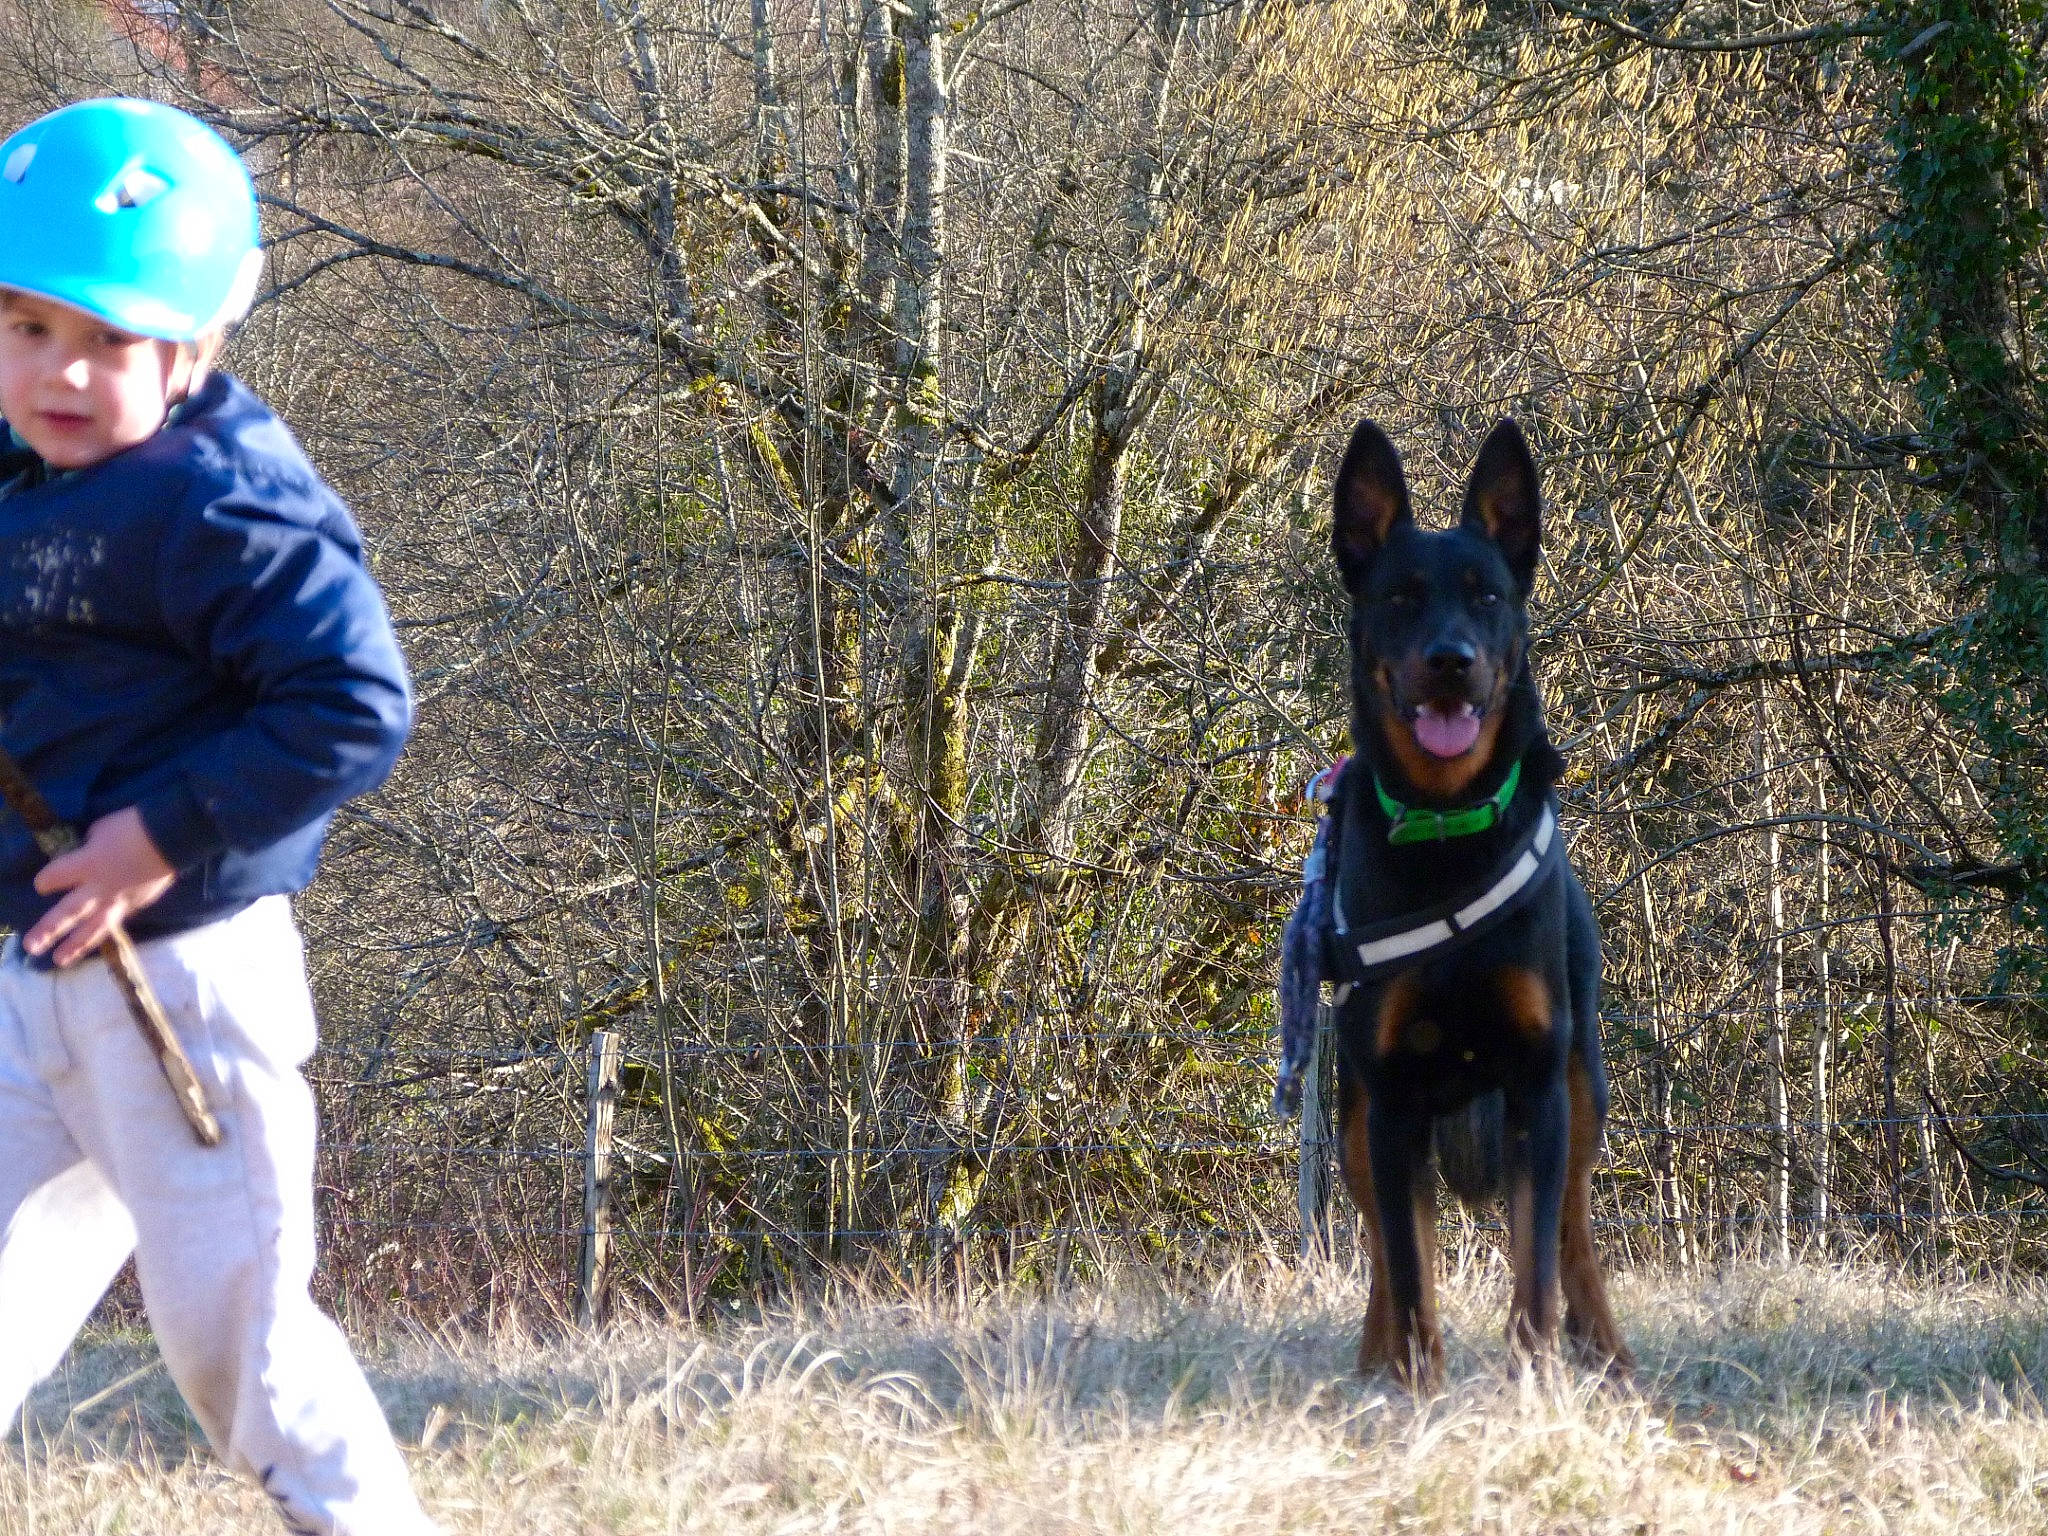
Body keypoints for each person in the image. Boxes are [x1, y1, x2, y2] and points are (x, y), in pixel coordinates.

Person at [0, 97, 435, 1535]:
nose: (60, 371)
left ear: (194, 344)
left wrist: (155, 835)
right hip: (26, 979)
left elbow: (351, 702)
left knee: (234, 1343)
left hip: (180, 988)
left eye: (110, 340)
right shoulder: (24, 467)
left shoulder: (223, 506)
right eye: (26, 326)